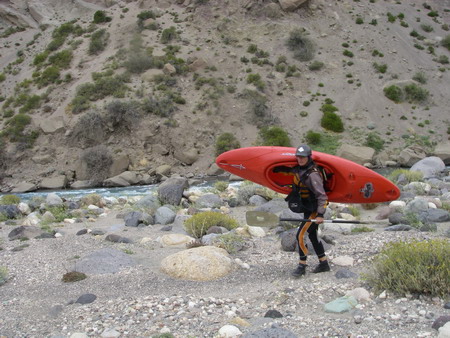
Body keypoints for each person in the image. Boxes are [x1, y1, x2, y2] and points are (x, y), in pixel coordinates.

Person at [273, 144, 330, 277]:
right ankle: (324, 263)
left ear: (309, 157)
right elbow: (291, 171)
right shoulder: (300, 169)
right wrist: (276, 169)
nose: (300, 159)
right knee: (312, 235)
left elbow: (322, 196)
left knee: (300, 235)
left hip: (314, 210)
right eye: (298, 157)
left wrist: (320, 214)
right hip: (307, 208)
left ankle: (302, 266)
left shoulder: (313, 175)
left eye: (303, 157)